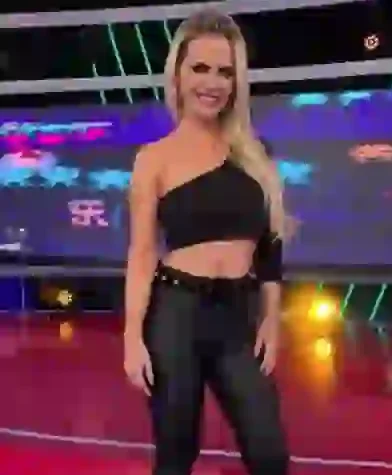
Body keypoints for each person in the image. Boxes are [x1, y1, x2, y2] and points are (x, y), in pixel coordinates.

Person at [123, 9, 289, 475]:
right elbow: (141, 254)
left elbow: (271, 245)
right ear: (177, 74)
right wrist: (132, 337)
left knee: (269, 452)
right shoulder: (153, 159)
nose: (212, 83)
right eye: (200, 68)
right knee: (176, 453)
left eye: (224, 72)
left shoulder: (255, 154)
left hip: (237, 316)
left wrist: (271, 321)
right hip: (175, 314)